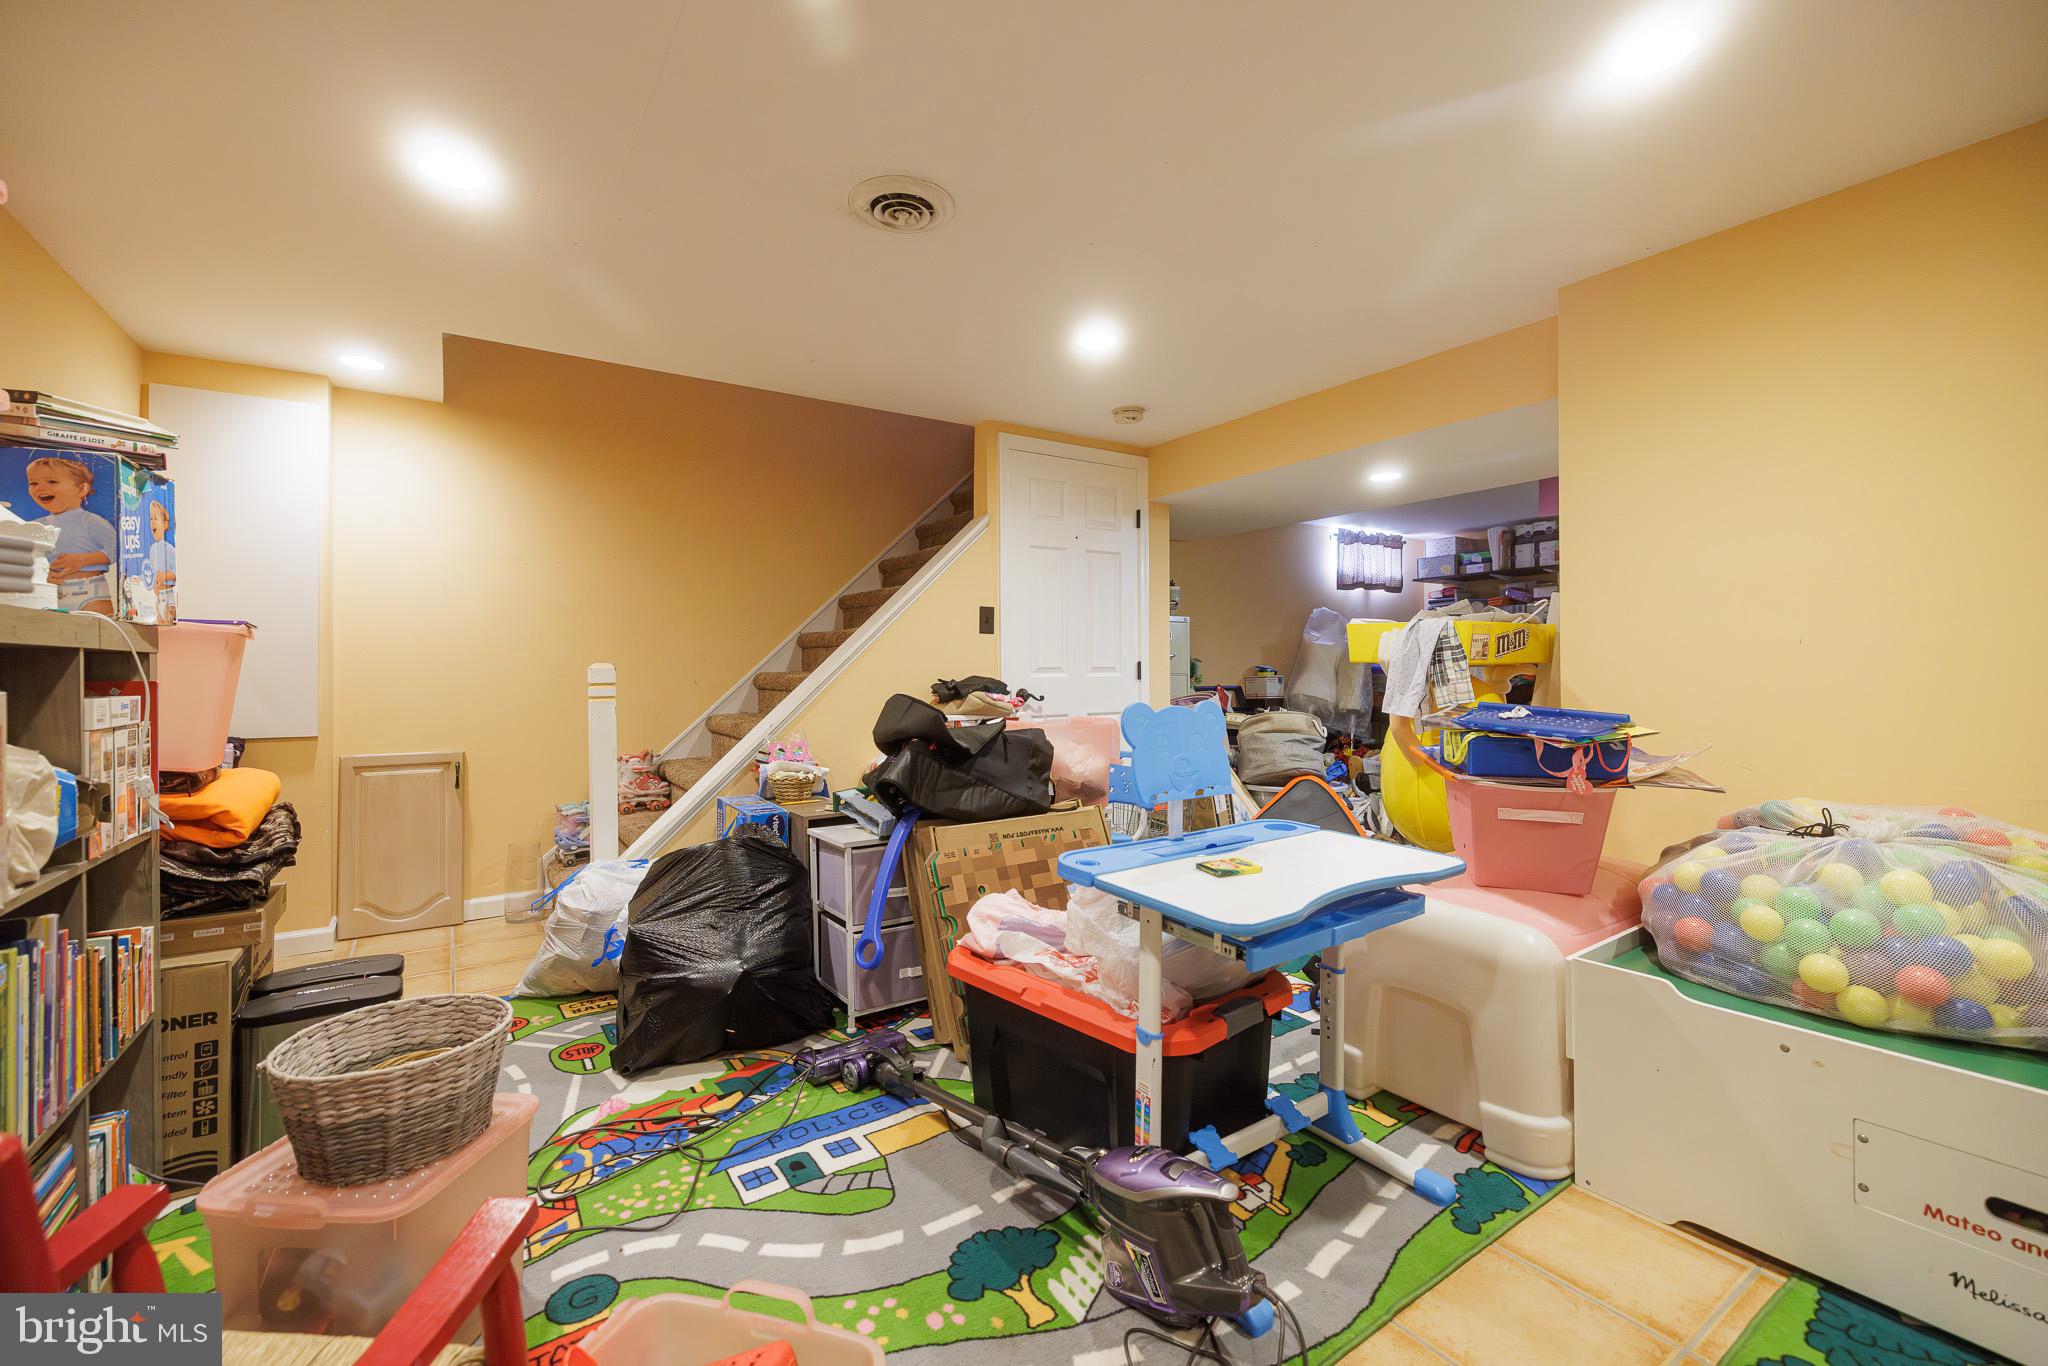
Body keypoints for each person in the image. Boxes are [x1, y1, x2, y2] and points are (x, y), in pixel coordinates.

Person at [26, 456, 115, 613]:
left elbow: (115, 550)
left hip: (90, 590)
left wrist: (83, 560)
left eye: (52, 482)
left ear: (81, 489)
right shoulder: (35, 526)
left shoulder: (91, 521)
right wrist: (40, 576)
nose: (40, 487)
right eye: (33, 483)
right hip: (49, 591)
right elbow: (25, 558)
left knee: (98, 631)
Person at [148, 497, 176, 590]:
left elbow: (178, 570)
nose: (152, 522)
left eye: (155, 518)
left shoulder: (169, 548)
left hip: (168, 592)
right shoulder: (152, 549)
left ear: (164, 525)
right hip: (156, 593)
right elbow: (151, 571)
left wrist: (165, 575)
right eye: (151, 519)